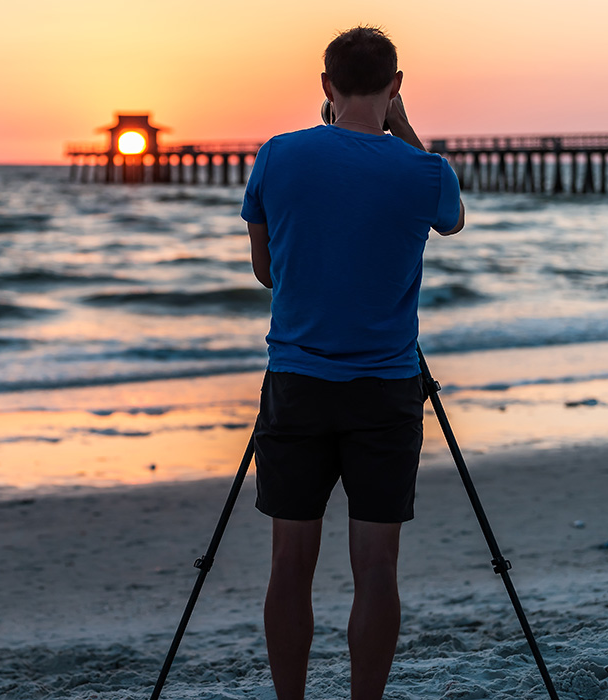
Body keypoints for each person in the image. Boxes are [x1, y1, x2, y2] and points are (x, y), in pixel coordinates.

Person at [240, 25, 464, 700]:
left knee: (290, 563)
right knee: (376, 567)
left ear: (325, 87)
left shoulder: (278, 156)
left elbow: (266, 272)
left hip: (298, 385)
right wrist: (404, 131)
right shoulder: (427, 171)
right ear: (396, 87)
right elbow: (448, 221)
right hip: (387, 389)